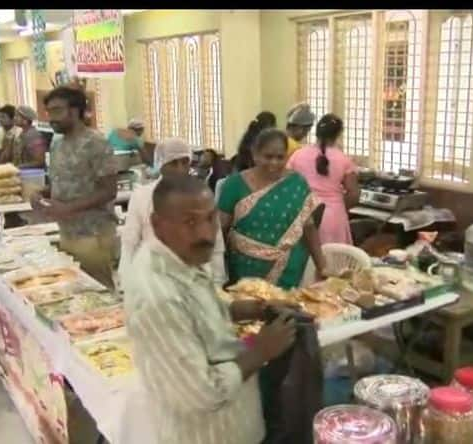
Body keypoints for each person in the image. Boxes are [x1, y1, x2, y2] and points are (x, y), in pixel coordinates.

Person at [123, 175, 298, 444]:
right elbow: (202, 392)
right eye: (190, 222)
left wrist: (250, 309)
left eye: (210, 219)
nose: (206, 234)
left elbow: (198, 313)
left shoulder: (182, 257)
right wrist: (261, 351)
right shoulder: (157, 295)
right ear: (157, 225)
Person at [218, 128, 327, 289]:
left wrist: (322, 266)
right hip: (245, 269)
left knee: (285, 311)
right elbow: (219, 229)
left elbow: (309, 227)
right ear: (255, 154)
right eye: (268, 157)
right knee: (249, 310)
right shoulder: (234, 185)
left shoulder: (297, 183)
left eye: (280, 157)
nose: (274, 163)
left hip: (289, 269)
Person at [33, 86, 118, 288]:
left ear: (75, 111)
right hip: (66, 232)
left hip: (93, 234)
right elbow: (59, 180)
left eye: (56, 111)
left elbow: (109, 190)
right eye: (48, 112)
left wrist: (68, 208)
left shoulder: (95, 142)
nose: (51, 118)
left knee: (99, 291)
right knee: (77, 292)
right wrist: (39, 193)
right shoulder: (57, 144)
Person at [120, 138, 227, 285]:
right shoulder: (142, 196)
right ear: (160, 165)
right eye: (173, 163)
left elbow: (215, 243)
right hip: (154, 278)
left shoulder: (201, 195)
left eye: (184, 162)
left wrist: (217, 282)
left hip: (195, 278)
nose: (179, 168)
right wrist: (127, 282)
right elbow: (129, 242)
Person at [288, 114, 359, 245]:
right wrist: (338, 206)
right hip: (333, 218)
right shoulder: (343, 159)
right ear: (339, 134)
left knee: (306, 260)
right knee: (334, 260)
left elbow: (287, 185)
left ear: (316, 132)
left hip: (303, 215)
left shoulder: (297, 155)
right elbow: (354, 195)